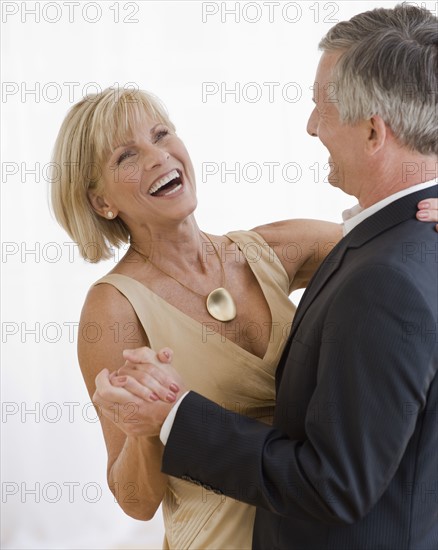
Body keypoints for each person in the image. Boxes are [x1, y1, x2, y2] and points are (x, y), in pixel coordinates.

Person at [98, 4, 438, 549]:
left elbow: (339, 480)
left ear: (374, 131)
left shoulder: (308, 252)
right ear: (100, 200)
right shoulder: (113, 307)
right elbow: (134, 500)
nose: (309, 126)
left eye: (162, 133)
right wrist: (147, 428)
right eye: (126, 156)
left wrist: (176, 416)